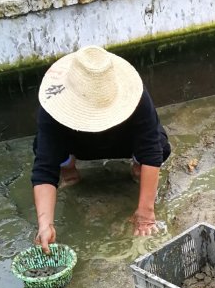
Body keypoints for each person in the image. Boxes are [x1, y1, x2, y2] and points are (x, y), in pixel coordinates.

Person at [31, 45, 170, 250]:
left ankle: (136, 169)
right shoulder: (51, 110)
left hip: (124, 143)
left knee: (161, 145)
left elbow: (151, 150)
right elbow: (44, 166)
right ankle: (70, 173)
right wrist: (45, 224)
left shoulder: (137, 98)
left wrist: (146, 212)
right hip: (77, 144)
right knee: (42, 146)